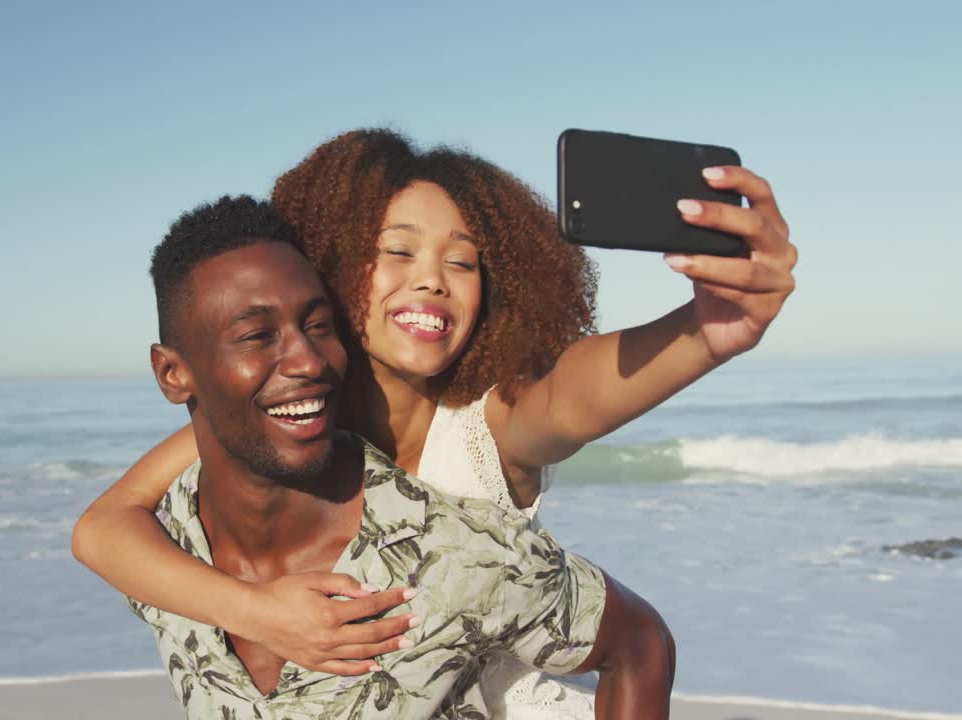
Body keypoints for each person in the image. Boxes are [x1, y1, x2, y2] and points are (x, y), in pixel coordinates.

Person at [73, 129, 796, 715]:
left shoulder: (492, 420)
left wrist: (705, 332)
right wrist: (257, 612)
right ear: (329, 263)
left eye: (465, 261)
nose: (432, 278)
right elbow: (108, 526)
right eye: (398, 251)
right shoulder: (297, 411)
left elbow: (577, 395)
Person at [124, 194, 673, 718]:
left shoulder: (454, 554)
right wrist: (250, 610)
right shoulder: (164, 540)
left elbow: (641, 645)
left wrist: (716, 328)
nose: (308, 361)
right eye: (257, 335)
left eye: (319, 326)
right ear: (173, 374)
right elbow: (100, 530)